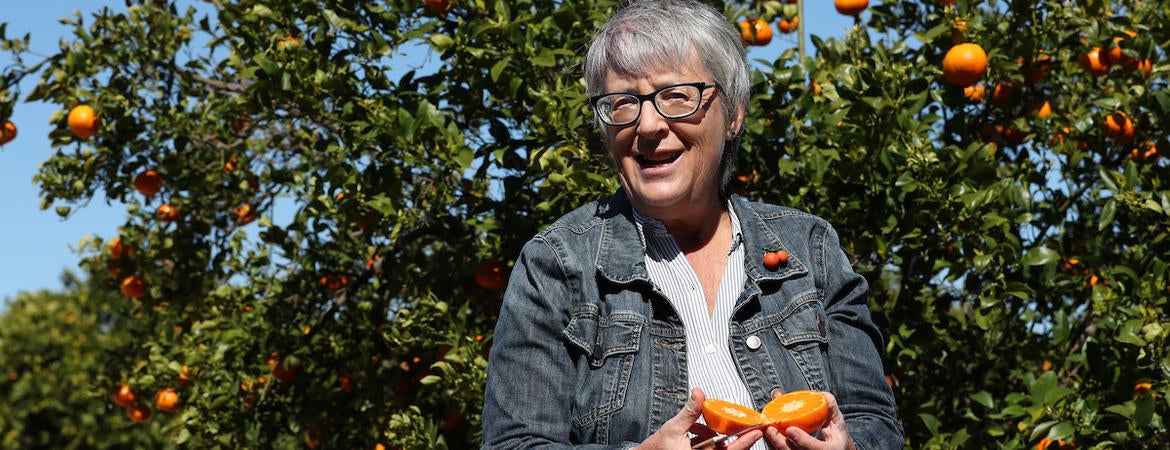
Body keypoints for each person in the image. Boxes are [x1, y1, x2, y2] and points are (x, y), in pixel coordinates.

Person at [481, 0, 904, 448]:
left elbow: (873, 420)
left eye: (676, 96)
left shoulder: (809, 249)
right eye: (621, 103)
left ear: (734, 114)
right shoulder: (557, 267)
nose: (647, 125)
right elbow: (513, 442)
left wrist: (850, 445)